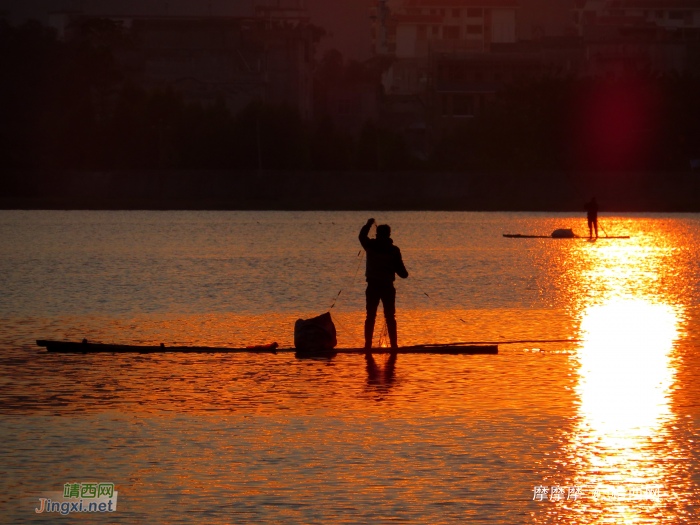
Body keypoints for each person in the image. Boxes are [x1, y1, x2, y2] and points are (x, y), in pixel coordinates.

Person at [359, 218, 409, 350]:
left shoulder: (370, 245)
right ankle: (394, 346)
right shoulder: (394, 250)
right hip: (387, 287)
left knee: (370, 316)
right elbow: (403, 274)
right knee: (390, 317)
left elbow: (361, 236)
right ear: (389, 235)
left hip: (372, 286)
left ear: (376, 234)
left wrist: (368, 224)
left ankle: (367, 346)